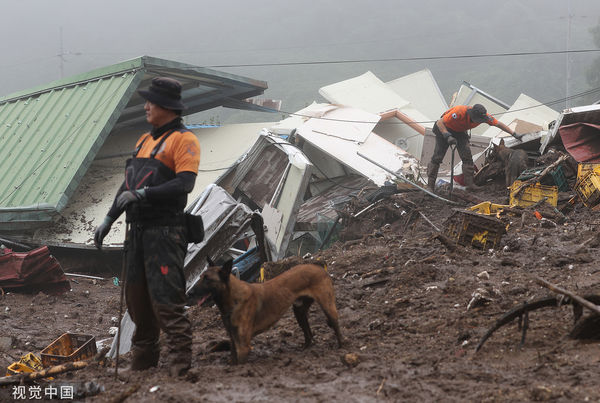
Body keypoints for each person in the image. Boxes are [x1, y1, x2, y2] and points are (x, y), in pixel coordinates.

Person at [93, 77, 201, 377]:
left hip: (165, 233)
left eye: (150, 102)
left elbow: (185, 183)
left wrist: (144, 194)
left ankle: (181, 365)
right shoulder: (143, 141)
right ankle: (143, 362)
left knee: (166, 300)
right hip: (137, 233)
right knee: (137, 300)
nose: (146, 107)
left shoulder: (184, 140)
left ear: (167, 107)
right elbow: (126, 187)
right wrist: (108, 219)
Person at [427, 103, 519, 191]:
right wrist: (447, 135)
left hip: (460, 132)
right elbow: (440, 123)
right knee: (437, 157)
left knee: (467, 157)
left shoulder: (485, 116)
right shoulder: (459, 112)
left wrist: (514, 134)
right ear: (471, 115)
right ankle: (430, 186)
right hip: (444, 129)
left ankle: (470, 185)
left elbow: (498, 124)